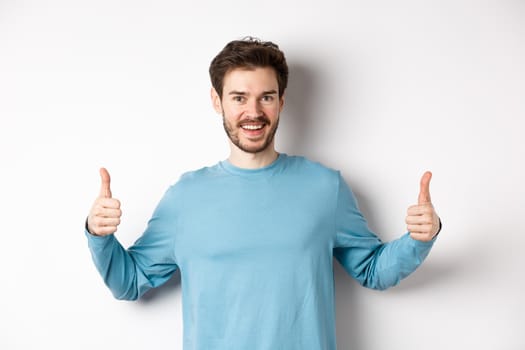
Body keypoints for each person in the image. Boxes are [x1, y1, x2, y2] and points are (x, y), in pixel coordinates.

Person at [85, 37, 441, 350]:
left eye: (265, 97)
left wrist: (419, 239)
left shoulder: (324, 187)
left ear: (282, 101)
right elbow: (128, 282)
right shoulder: (185, 197)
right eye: (239, 97)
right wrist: (99, 234)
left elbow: (372, 270)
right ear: (216, 100)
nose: (253, 112)